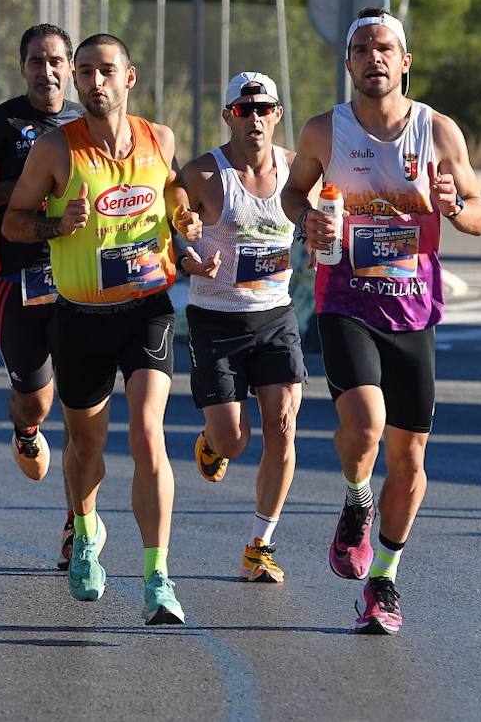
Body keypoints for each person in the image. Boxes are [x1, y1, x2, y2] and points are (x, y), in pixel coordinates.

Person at [282, 8, 481, 634]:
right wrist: (305, 218)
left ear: (405, 62)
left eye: (386, 49)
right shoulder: (325, 131)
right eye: (363, 48)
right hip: (345, 299)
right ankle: (355, 497)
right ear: (348, 64)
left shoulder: (438, 131)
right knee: (366, 426)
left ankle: (384, 583)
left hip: (414, 308)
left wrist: (455, 208)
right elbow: (293, 191)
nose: (375, 58)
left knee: (412, 459)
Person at [3, 33, 200, 626]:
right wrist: (54, 224)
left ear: (129, 77)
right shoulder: (56, 149)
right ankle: (87, 531)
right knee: (86, 444)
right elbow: (13, 222)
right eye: (84, 72)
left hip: (147, 308)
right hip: (80, 316)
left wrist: (186, 220)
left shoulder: (157, 139)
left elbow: (176, 193)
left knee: (147, 434)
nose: (94, 82)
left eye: (105, 71)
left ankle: (157, 575)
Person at [0, 23, 82, 569]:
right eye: (36, 61)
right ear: (23, 66)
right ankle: (25, 427)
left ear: (70, 66)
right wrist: (28, 186)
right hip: (19, 273)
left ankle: (79, 527)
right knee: (37, 397)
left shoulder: (87, 119)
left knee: (83, 408)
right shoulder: (0, 123)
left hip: (83, 277)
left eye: (56, 61)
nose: (47, 71)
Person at [176, 72, 305, 584]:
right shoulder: (204, 175)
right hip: (216, 320)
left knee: (283, 427)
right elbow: (170, 235)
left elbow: (328, 212)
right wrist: (188, 259)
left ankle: (260, 545)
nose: (255, 118)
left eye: (264, 108)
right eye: (244, 109)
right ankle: (213, 442)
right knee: (234, 441)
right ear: (228, 115)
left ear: (276, 114)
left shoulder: (298, 170)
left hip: (275, 315)